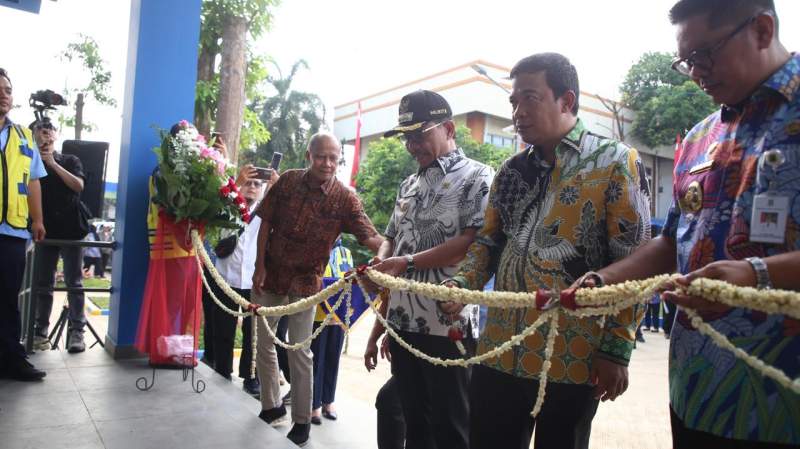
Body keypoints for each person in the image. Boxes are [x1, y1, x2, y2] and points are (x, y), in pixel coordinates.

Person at [583, 2, 800, 447]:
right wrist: (602, 281)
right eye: (687, 61)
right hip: (698, 389)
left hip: (784, 397)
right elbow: (671, 242)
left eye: (706, 54)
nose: (697, 72)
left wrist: (757, 273)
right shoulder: (701, 137)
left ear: (761, 29)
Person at [449, 53, 652, 449]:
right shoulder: (510, 171)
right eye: (514, 102)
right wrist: (460, 285)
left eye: (530, 98)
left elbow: (635, 260)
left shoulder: (615, 162)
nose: (519, 111)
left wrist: (617, 347)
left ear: (567, 101)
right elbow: (489, 241)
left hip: (573, 355)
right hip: (501, 348)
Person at [370, 89, 495, 449]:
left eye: (420, 134)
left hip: (447, 325)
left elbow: (471, 243)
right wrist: (383, 258)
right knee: (413, 422)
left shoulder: (478, 177)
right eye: (407, 137)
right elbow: (390, 237)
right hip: (403, 321)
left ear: (449, 129)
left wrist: (406, 262)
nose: (412, 145)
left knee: (451, 426)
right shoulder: (408, 184)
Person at [251, 133, 384, 447]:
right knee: (264, 344)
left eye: (333, 158)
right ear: (309, 156)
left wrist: (397, 256)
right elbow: (265, 223)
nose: (327, 163)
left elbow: (371, 236)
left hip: (306, 283)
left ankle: (301, 421)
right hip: (271, 274)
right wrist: (259, 265)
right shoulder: (287, 183)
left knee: (300, 351)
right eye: (321, 157)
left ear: (339, 160)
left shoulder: (345, 199)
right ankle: (270, 407)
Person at [211, 166, 277, 397]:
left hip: (253, 282)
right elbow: (213, 206)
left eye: (257, 184)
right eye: (248, 182)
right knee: (224, 329)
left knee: (254, 334)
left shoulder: (265, 212)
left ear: (262, 190)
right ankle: (222, 371)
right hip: (225, 276)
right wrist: (235, 182)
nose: (252, 187)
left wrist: (275, 186)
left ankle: (250, 377)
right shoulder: (227, 206)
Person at [0, 68, 48, 381]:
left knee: (7, 300)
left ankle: (11, 360)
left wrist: (39, 219)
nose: (4, 94)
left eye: (7, 89)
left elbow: (33, 182)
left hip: (13, 231)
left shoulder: (23, 136)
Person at [29, 120, 88, 353]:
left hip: (73, 230)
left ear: (56, 135)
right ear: (33, 135)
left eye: (50, 132)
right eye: (41, 132)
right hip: (45, 231)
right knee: (44, 284)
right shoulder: (29, 160)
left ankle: (77, 332)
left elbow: (78, 186)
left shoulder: (70, 160)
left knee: (75, 282)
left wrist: (52, 163)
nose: (46, 136)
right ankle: (40, 331)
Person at [310, 238, 353, 425]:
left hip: (338, 317)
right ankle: (314, 404)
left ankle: (329, 401)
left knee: (332, 359)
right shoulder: (314, 246)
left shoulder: (346, 253)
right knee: (316, 360)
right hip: (317, 315)